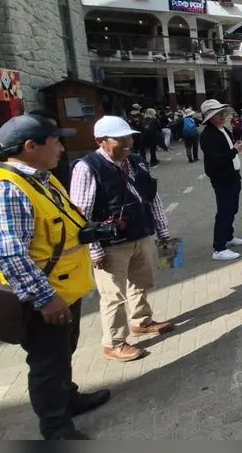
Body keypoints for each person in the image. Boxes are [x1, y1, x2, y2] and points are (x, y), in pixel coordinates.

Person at [0, 115, 110, 440]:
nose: (61, 148)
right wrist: (45, 299)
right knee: (48, 364)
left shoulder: (40, 178)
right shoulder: (6, 189)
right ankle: (56, 427)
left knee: (64, 352)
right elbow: (9, 254)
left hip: (65, 288)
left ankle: (68, 398)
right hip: (44, 297)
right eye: (55, 141)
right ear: (30, 146)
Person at [70, 116, 176, 363]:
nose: (128, 143)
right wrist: (94, 250)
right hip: (110, 245)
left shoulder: (137, 162)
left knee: (142, 282)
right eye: (120, 139)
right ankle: (114, 342)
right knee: (113, 295)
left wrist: (163, 231)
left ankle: (141, 320)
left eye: (129, 137)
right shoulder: (87, 167)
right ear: (101, 141)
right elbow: (80, 215)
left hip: (140, 234)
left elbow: (152, 198)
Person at [199, 100, 242, 261]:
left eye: (222, 113)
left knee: (233, 208)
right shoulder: (208, 135)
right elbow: (214, 160)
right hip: (221, 177)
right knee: (224, 211)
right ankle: (218, 247)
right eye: (217, 114)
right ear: (210, 117)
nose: (222, 116)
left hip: (232, 174)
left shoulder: (222, 129)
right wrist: (234, 150)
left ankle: (228, 236)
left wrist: (234, 148)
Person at [28, 110, 72, 190]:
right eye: (48, 128)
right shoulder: (10, 187)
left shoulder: (61, 166)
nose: (61, 148)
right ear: (32, 146)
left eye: (55, 128)